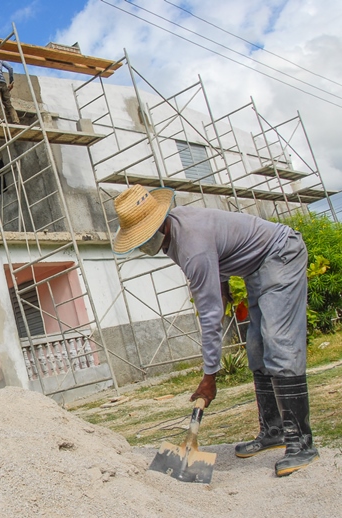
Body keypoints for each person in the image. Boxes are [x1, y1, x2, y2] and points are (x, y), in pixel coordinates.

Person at [111, 184, 319, 477]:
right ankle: (274, 431)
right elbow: (218, 250)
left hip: (280, 253)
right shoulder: (175, 231)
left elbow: (210, 317)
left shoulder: (190, 244)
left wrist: (210, 378)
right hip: (256, 266)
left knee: (278, 342)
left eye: (145, 236)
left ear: (160, 224)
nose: (144, 244)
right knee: (257, 348)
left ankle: (302, 443)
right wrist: (221, 285)